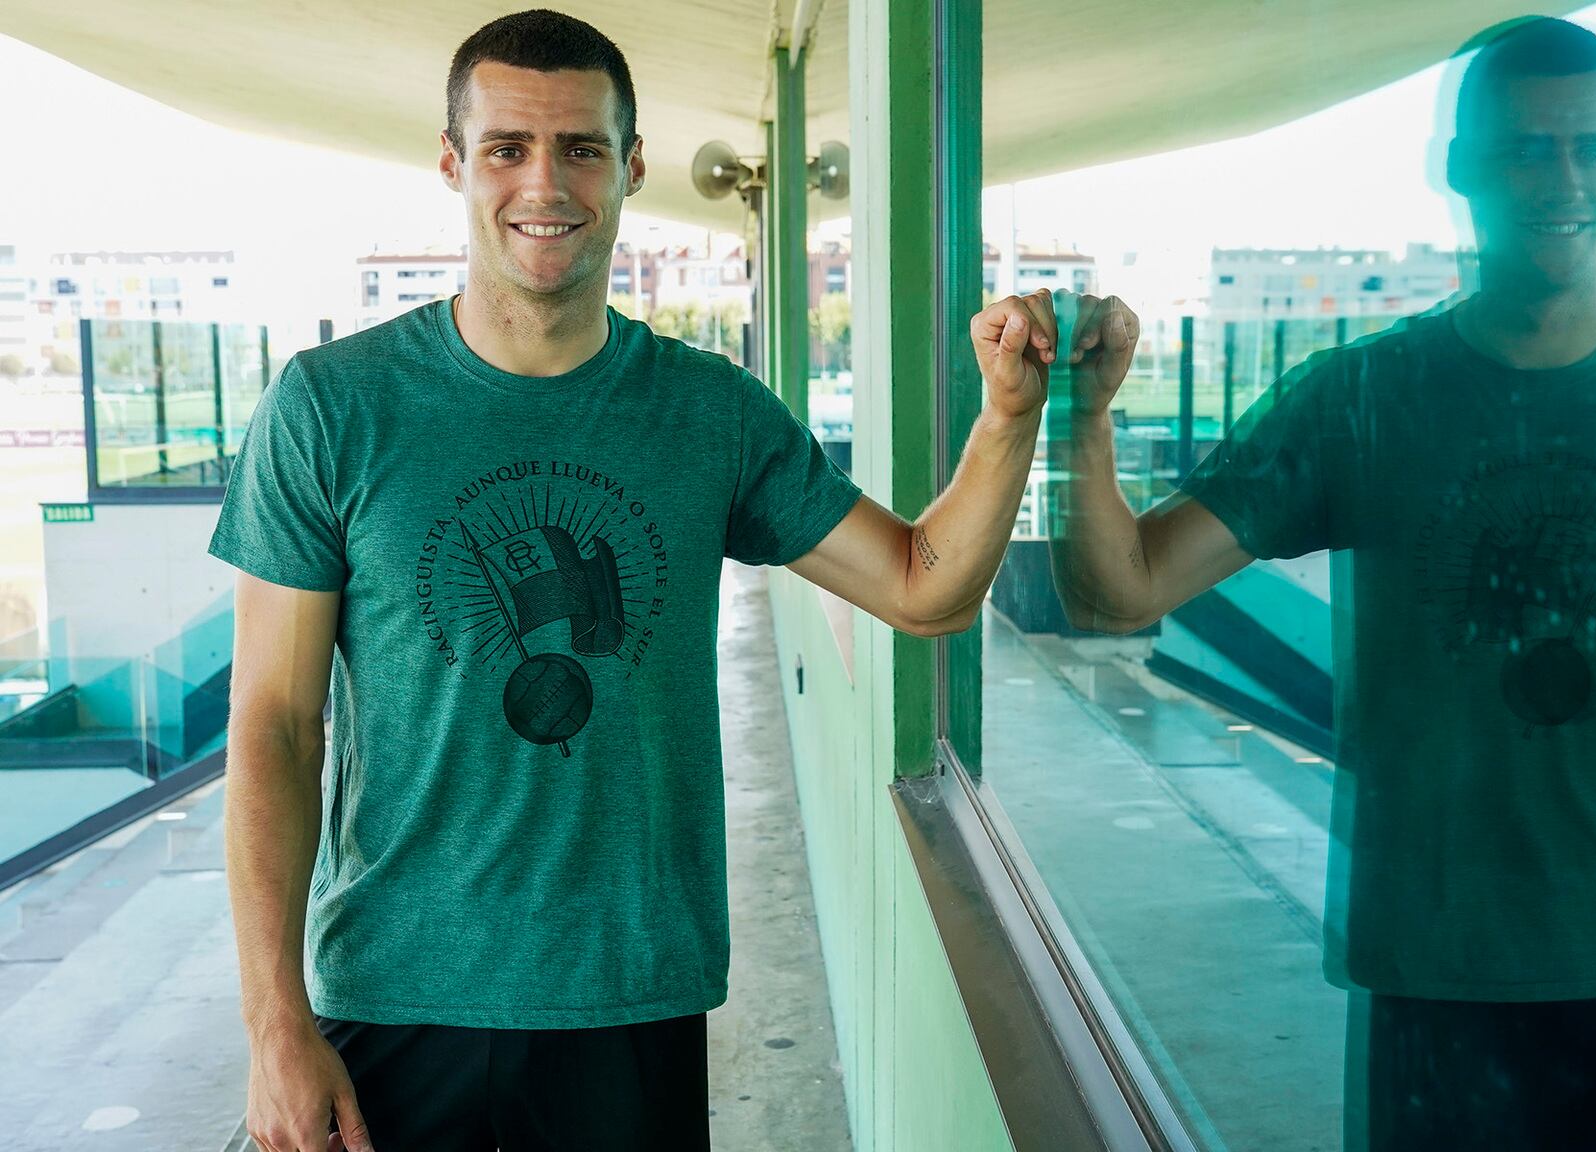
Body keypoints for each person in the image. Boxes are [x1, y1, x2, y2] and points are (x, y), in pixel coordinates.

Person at [214, 10, 1114, 1151]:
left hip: (631, 994)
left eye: (582, 147)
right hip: (393, 993)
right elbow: (277, 730)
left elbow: (923, 587)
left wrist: (1009, 419)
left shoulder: (708, 413)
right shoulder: (333, 407)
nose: (546, 183)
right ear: (452, 164)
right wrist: (273, 1023)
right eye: (506, 148)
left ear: (631, 165)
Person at [1049, 16, 1596, 1150]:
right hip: (1443, 986)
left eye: (1594, 148)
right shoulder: (1360, 399)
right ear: (1460, 168)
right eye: (1528, 148)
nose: (1564, 179)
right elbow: (1119, 594)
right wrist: (1082, 418)